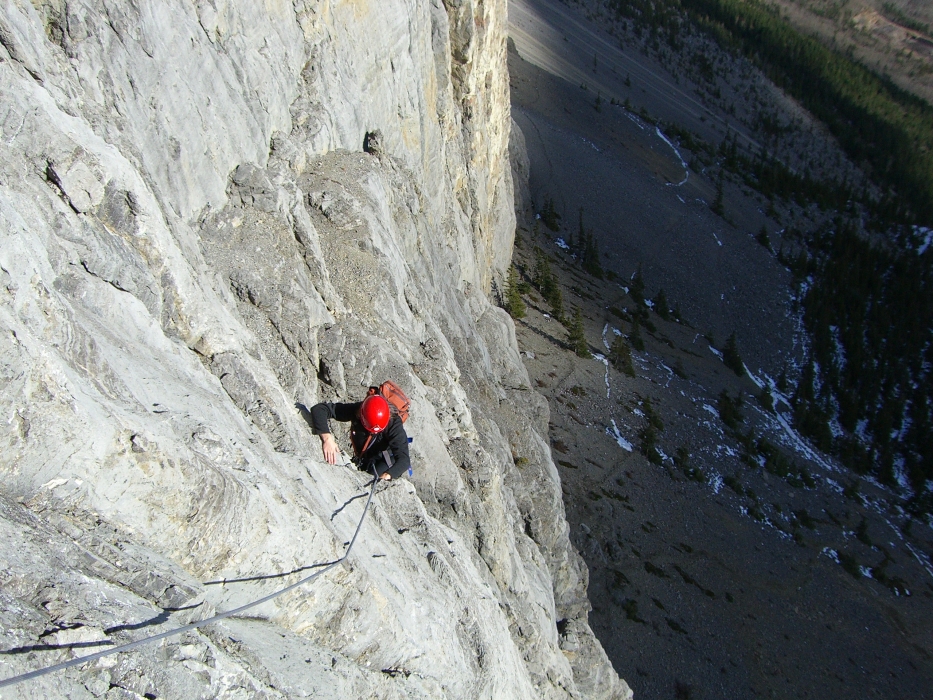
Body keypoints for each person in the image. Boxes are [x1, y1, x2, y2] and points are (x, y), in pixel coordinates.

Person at [309, 393, 411, 480]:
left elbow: (404, 460)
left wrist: (387, 475)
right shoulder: (359, 410)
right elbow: (320, 409)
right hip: (365, 459)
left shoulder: (393, 423)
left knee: (370, 482)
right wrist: (327, 439)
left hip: (384, 460)